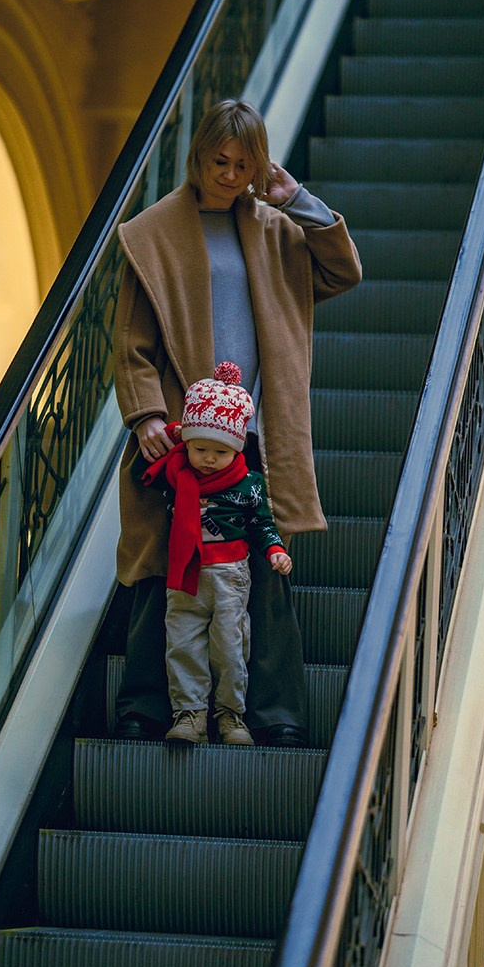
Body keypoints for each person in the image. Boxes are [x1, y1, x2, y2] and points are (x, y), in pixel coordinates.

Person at [111, 98, 361, 747]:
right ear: (198, 155)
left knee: (265, 569)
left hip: (254, 434)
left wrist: (296, 200)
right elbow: (131, 344)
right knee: (164, 564)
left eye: (243, 165)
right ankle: (145, 709)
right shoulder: (155, 232)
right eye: (219, 161)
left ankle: (274, 715)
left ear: (259, 166)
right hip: (179, 434)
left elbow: (343, 271)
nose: (229, 174)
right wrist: (145, 416)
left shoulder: (276, 231)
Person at [138, 362, 292, 746]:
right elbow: (167, 444)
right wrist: (171, 432)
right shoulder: (176, 475)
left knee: (230, 646)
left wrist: (274, 549)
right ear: (186, 444)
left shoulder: (247, 484)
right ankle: (189, 715)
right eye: (200, 448)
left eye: (220, 451)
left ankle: (230, 716)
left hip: (229, 575)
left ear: (237, 448)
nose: (208, 458)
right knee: (183, 644)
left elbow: (261, 522)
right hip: (184, 574)